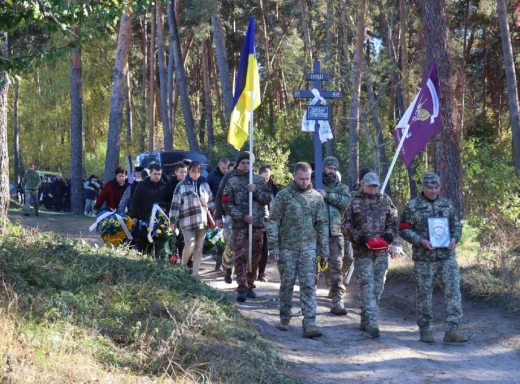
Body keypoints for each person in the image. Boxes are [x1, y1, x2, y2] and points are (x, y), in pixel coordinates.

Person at [399, 172, 467, 344]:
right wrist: (420, 241)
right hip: (424, 259)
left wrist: (454, 238)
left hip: (447, 257)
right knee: (424, 294)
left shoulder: (447, 204)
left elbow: (456, 226)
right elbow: (404, 229)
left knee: (453, 292)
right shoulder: (412, 206)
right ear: (423, 187)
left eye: (436, 187)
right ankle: (425, 330)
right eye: (430, 187)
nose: (433, 190)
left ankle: (452, 330)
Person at [268, 162, 329, 338]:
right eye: (301, 178)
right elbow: (273, 221)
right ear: (294, 176)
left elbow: (322, 224)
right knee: (287, 285)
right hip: (287, 248)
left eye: (307, 179)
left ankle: (309, 323)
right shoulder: (283, 196)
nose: (304, 182)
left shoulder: (316, 197)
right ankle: (285, 317)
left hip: (308, 249)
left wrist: (324, 250)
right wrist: (273, 246)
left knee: (309, 285)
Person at [341, 172, 397, 338]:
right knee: (367, 286)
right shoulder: (354, 202)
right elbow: (345, 225)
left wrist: (389, 235)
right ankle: (373, 323)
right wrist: (360, 237)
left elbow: (393, 222)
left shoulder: (386, 201)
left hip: (381, 252)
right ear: (363, 185)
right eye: (369, 185)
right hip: (362, 252)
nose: (372, 189)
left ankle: (365, 318)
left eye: (375, 186)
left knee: (377, 287)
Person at [223, 152, 272, 302]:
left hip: (256, 225)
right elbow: (226, 202)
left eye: (248, 163)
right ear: (238, 164)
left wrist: (255, 191)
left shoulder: (258, 180)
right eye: (243, 162)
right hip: (239, 225)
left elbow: (267, 199)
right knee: (241, 255)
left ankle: (250, 284)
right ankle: (242, 287)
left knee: (255, 255)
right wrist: (241, 216)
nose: (246, 165)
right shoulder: (232, 181)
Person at [315, 156, 351, 315]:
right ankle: (309, 302)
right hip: (315, 233)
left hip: (335, 234)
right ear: (323, 168)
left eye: (335, 169)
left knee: (336, 267)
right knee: (311, 269)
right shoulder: (314, 184)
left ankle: (337, 301)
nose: (332, 171)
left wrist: (327, 196)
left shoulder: (342, 188)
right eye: (329, 168)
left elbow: (347, 203)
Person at [169, 161, 214, 277]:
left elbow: (211, 201)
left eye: (198, 172)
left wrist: (217, 215)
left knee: (199, 246)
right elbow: (175, 204)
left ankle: (195, 273)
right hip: (187, 220)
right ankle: (183, 267)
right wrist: (173, 221)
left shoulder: (204, 184)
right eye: (193, 171)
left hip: (202, 220)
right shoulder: (181, 185)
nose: (196, 174)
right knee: (190, 244)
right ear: (189, 171)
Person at [131, 164, 171, 260]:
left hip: (161, 221)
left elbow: (169, 201)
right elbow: (135, 201)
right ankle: (142, 263)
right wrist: (134, 216)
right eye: (155, 174)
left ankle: (158, 263)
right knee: (144, 245)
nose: (157, 176)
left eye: (159, 174)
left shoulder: (164, 186)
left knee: (158, 244)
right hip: (145, 220)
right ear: (150, 173)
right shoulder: (142, 185)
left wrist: (166, 208)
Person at [257, 165, 279, 283]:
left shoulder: (273, 188)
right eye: (263, 177)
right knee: (254, 248)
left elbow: (276, 205)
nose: (266, 180)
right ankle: (250, 271)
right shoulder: (253, 187)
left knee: (265, 248)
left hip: (269, 221)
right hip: (255, 221)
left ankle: (261, 272)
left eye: (268, 177)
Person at [216, 161, 236, 284]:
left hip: (246, 218)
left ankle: (245, 274)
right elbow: (219, 196)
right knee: (230, 244)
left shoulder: (250, 177)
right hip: (229, 216)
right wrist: (218, 216)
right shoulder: (227, 177)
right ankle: (228, 268)